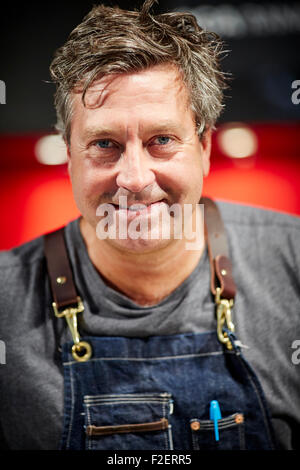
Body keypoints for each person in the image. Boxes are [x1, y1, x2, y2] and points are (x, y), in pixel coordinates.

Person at [0, 0, 299, 451]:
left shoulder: (292, 259)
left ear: (203, 147)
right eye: (104, 143)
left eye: (161, 140)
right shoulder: (6, 300)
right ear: (69, 155)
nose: (135, 178)